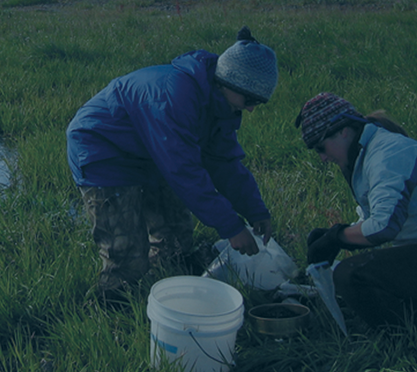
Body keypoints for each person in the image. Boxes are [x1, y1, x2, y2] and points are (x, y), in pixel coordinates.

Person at [66, 26, 277, 301]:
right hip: (103, 150)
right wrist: (231, 228)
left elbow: (225, 164)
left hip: (150, 152)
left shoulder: (222, 105)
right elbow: (184, 172)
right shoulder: (175, 96)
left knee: (176, 241)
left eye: (258, 103)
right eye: (249, 100)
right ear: (229, 82)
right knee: (127, 255)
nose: (250, 109)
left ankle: (166, 291)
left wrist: (256, 211)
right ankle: (114, 309)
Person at [296, 92, 417, 328]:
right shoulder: (364, 153)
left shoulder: (387, 153)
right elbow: (374, 220)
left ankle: (404, 341)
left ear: (342, 131)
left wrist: (337, 237)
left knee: (350, 275)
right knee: (361, 276)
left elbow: (383, 228)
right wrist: (335, 236)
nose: (323, 158)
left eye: (321, 147)